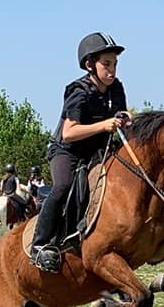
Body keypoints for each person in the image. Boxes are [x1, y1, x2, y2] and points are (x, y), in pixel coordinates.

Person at [30, 32, 132, 273]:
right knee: (63, 186)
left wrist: (127, 119)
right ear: (89, 65)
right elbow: (69, 132)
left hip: (97, 150)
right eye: (106, 64)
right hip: (67, 151)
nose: (112, 70)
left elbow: (122, 114)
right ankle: (40, 244)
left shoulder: (116, 88)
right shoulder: (79, 91)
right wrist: (105, 125)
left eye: (115, 64)